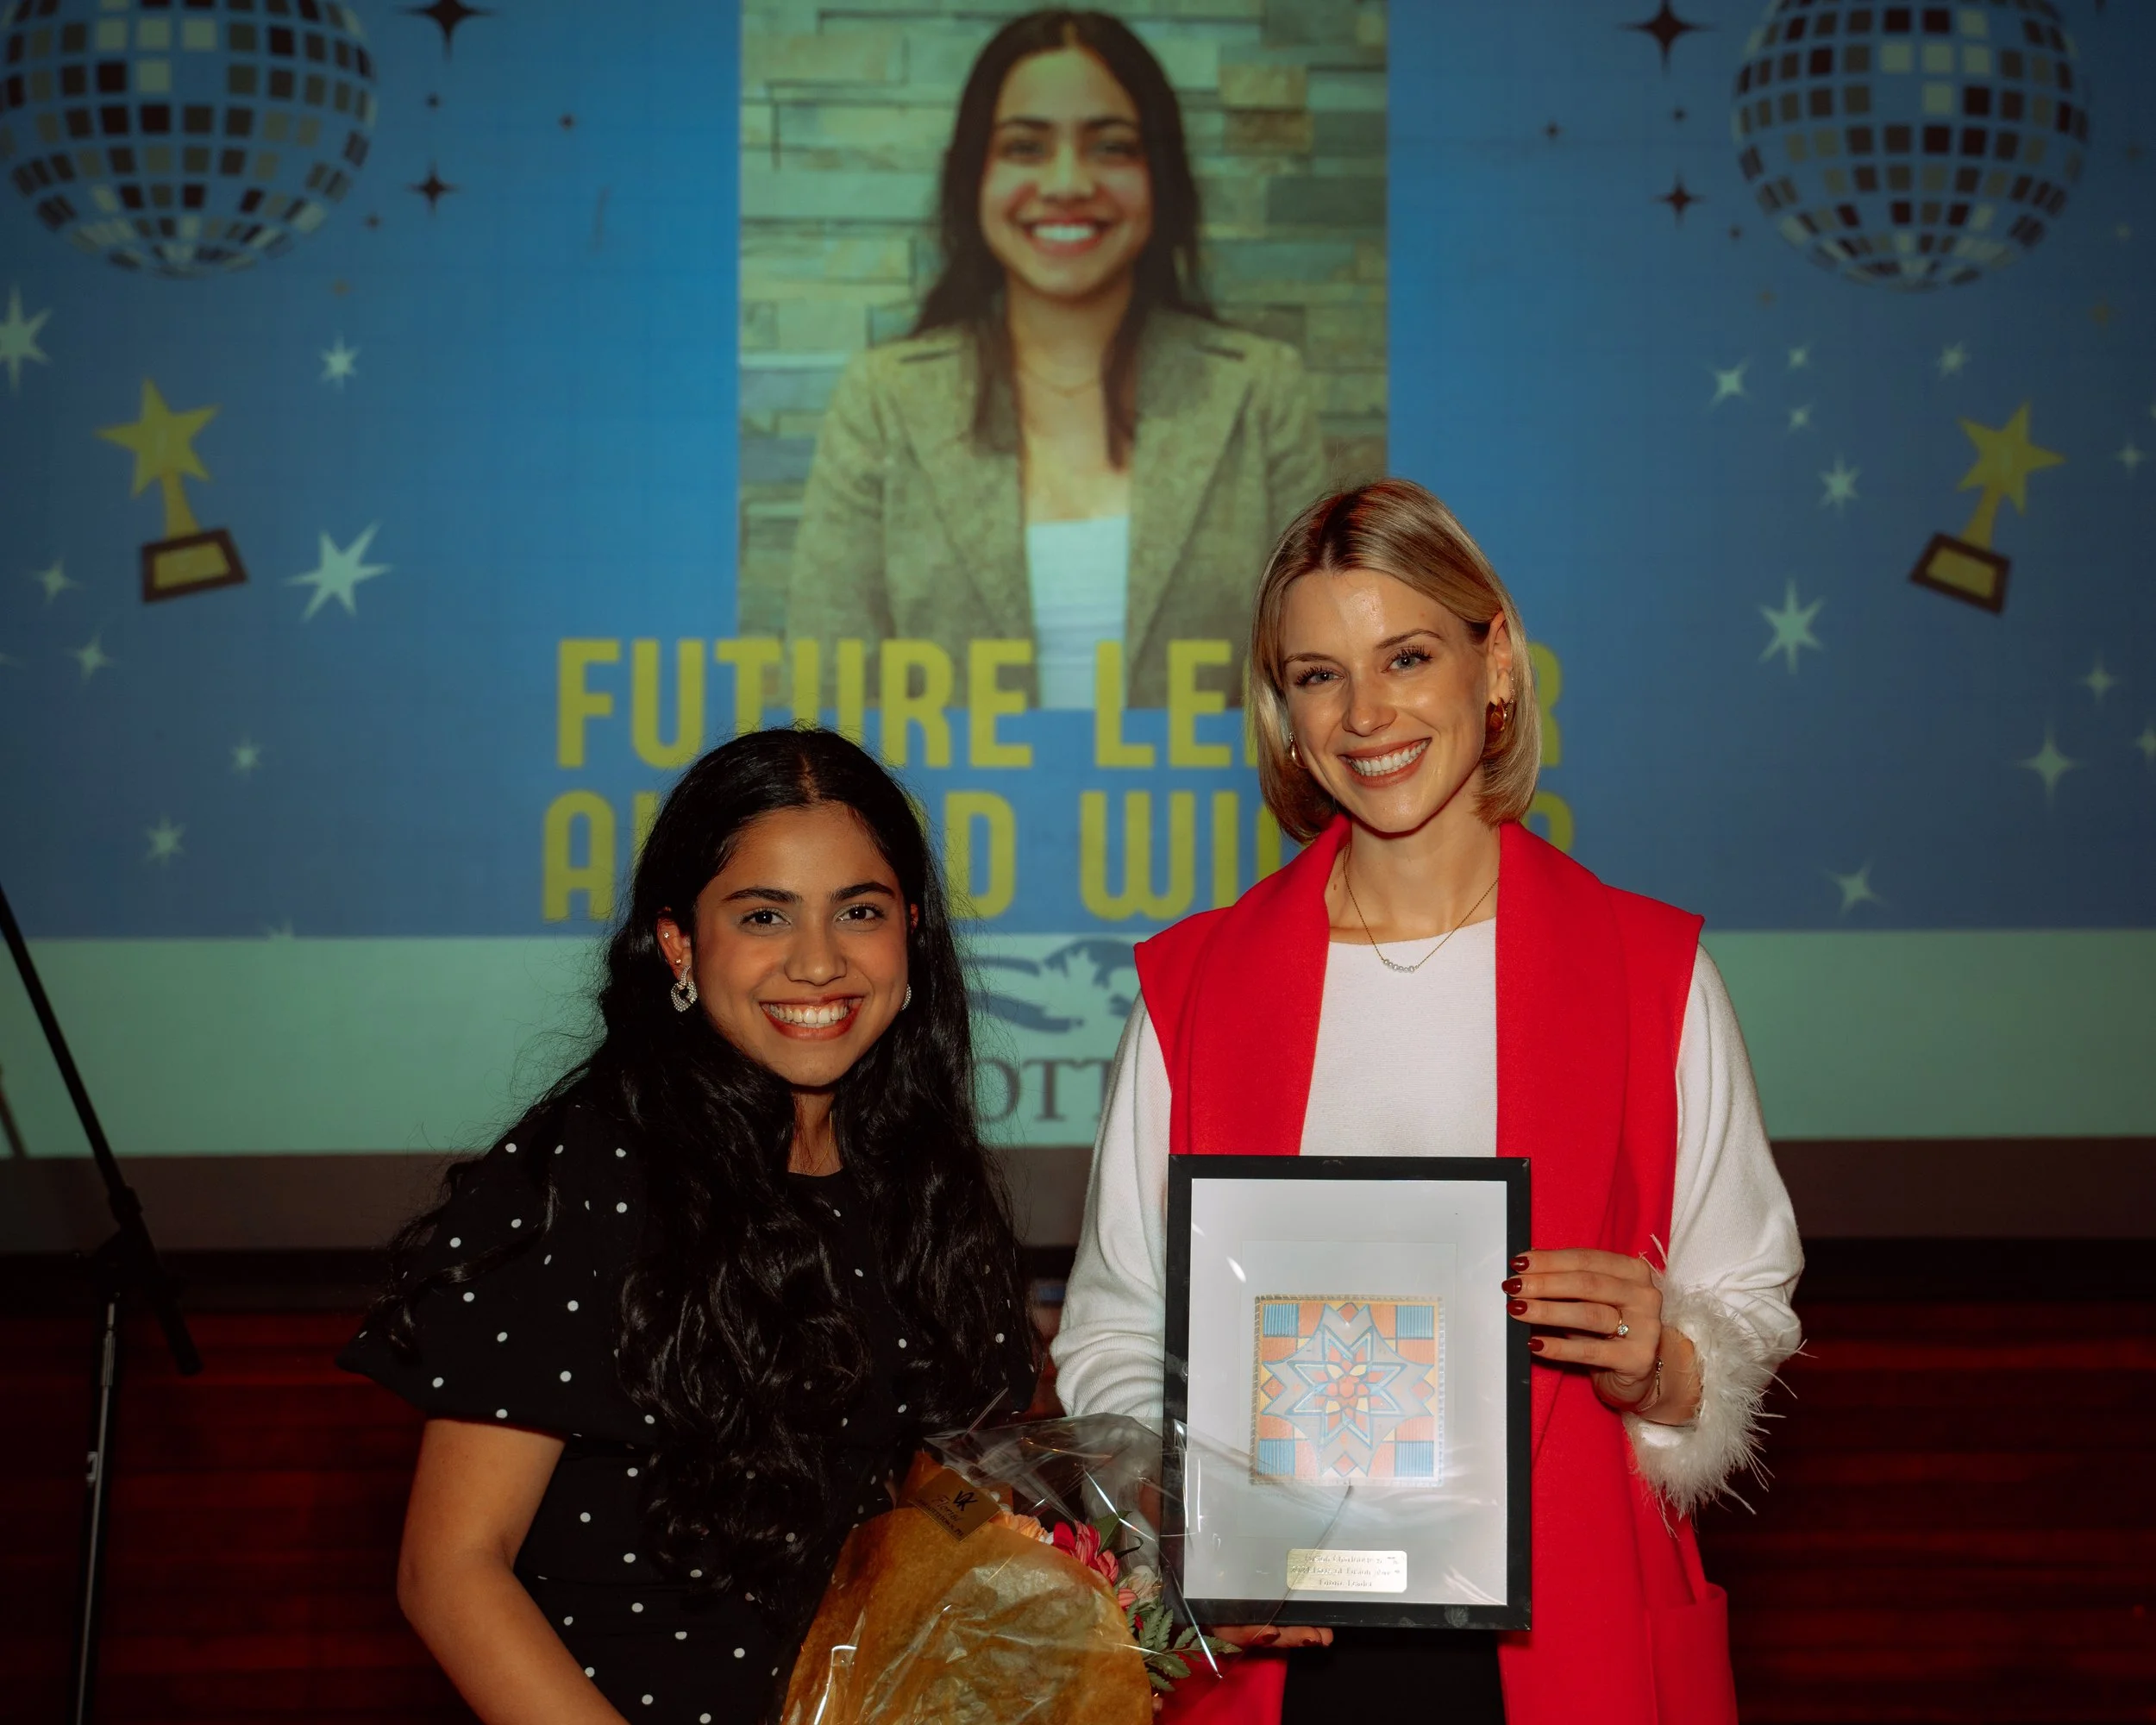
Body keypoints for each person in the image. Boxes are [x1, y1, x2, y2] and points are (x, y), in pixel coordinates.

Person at [1052, 480, 1804, 1725]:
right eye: (1316, 675)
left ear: (1494, 661)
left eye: (1407, 655)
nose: (1367, 715)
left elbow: (1747, 1311)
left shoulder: (1649, 972)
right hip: (1271, 1658)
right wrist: (1189, 1530)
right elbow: (1118, 1332)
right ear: (1283, 715)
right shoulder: (1193, 988)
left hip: (1573, 1645)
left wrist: (1663, 1359)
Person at [342, 729, 1034, 1725]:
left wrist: (1131, 1587)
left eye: (859, 911)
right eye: (763, 914)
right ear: (678, 942)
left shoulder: (919, 1180)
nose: (816, 961)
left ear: (910, 932)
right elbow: (449, 1569)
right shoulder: (586, 1173)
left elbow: (935, 1489)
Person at [786, 9, 1328, 711]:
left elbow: (1319, 681)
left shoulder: (1260, 391)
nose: (1068, 182)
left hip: (1209, 822)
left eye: (1112, 147)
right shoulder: (883, 401)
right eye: (1025, 147)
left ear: (1158, 177)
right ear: (972, 176)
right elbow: (827, 696)